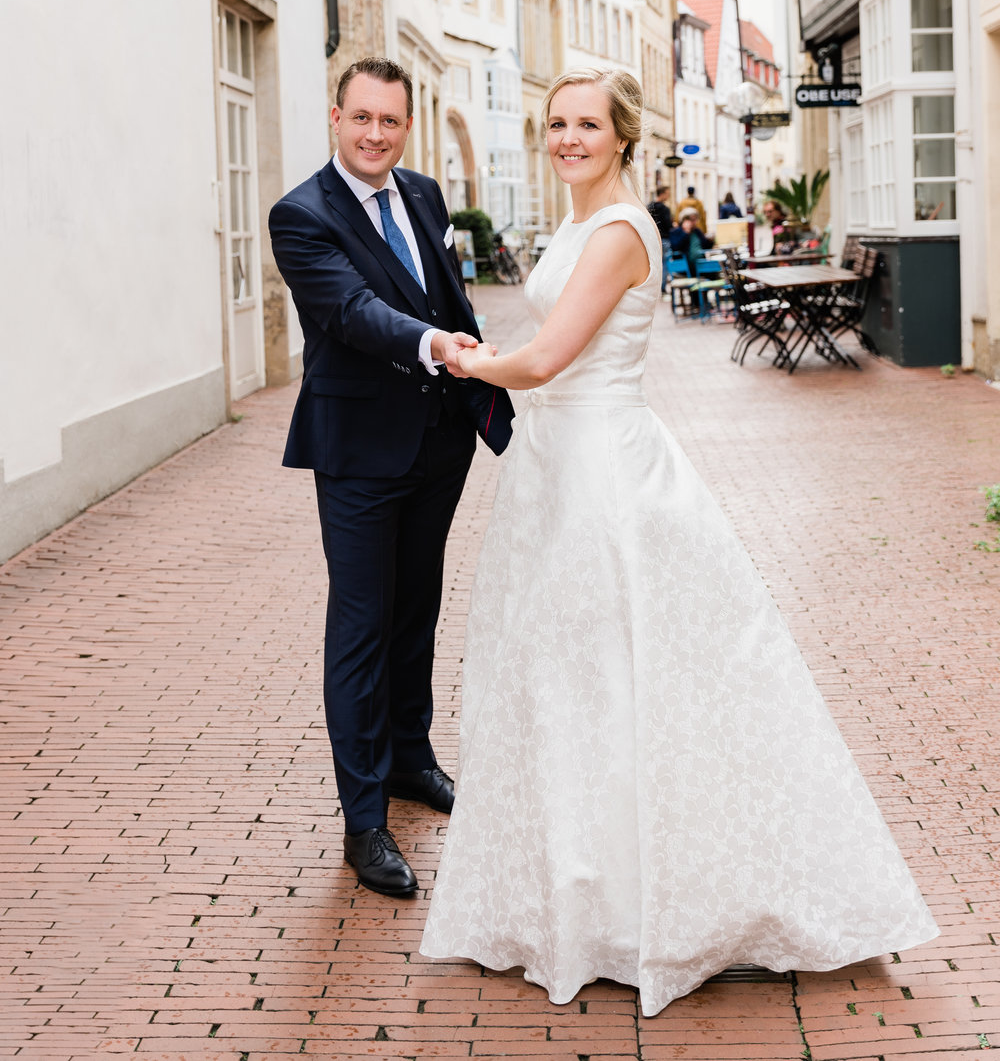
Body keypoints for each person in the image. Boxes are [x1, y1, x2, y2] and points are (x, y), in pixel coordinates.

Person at [419, 65, 937, 1015]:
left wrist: (463, 359)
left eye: (586, 125)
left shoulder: (619, 232)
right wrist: (483, 351)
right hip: (556, 471)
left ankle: (646, 909)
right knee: (569, 679)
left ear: (621, 137)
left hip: (606, 477)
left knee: (621, 676)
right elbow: (538, 343)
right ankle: (581, 895)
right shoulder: (579, 225)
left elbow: (543, 358)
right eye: (555, 123)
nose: (567, 137)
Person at [268, 56, 514, 898]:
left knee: (418, 612)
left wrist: (482, 373)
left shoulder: (424, 194)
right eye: (362, 118)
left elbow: (450, 294)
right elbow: (352, 313)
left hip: (438, 443)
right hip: (359, 454)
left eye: (392, 121)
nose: (377, 135)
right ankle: (365, 820)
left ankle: (412, 758)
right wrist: (436, 346)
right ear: (335, 117)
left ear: (408, 125)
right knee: (363, 628)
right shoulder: (301, 216)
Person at [668, 207, 714, 274]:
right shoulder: (676, 232)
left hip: (700, 263)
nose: (694, 222)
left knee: (715, 269)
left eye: (695, 219)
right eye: (691, 220)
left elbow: (705, 246)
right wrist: (686, 233)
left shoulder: (697, 231)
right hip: (685, 266)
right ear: (684, 220)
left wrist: (710, 241)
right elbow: (675, 247)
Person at [646, 185, 673, 294]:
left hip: (652, 238)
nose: (668, 195)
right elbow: (668, 225)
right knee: (665, 262)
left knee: (654, 263)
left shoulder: (649, 207)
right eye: (667, 193)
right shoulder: (665, 209)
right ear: (662, 194)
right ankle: (662, 287)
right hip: (664, 238)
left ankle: (654, 287)